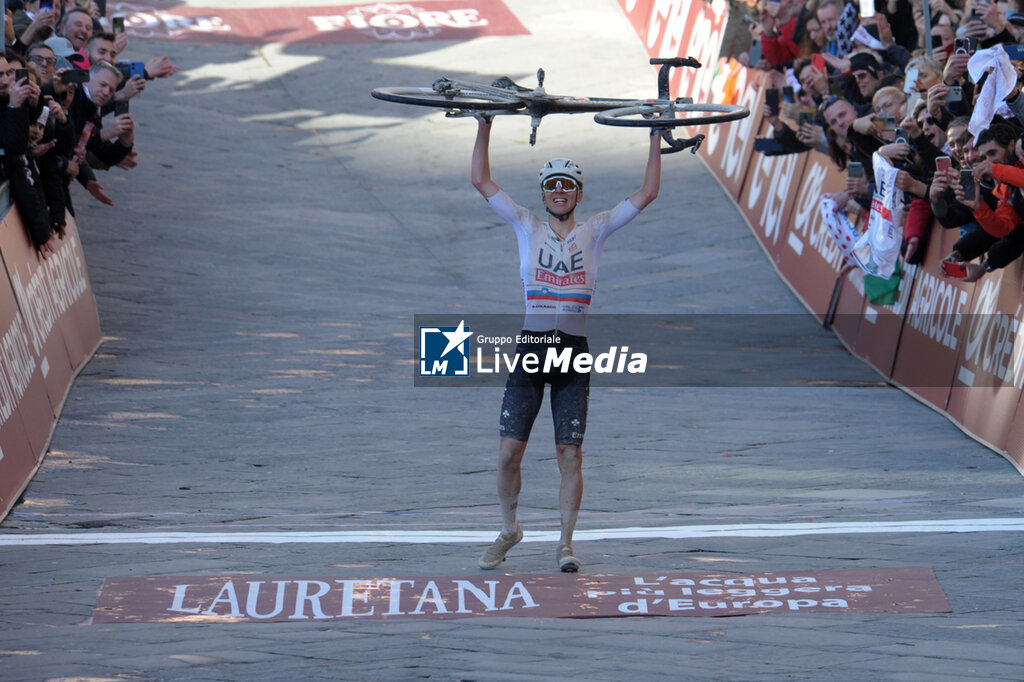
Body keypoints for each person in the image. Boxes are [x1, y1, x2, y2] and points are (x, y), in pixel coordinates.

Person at [471, 115, 661, 573]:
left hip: (572, 354)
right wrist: (484, 122)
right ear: (543, 194)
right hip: (532, 350)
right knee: (507, 454)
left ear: (578, 193)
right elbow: (480, 179)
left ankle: (565, 544)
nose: (559, 191)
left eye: (568, 185)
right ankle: (509, 529)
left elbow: (647, 193)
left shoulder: (595, 229)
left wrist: (656, 135)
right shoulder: (524, 225)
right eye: (552, 185)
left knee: (569, 454)